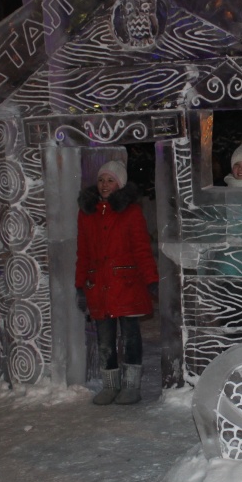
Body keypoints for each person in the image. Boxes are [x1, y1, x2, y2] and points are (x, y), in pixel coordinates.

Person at [75, 160, 159, 405]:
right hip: (98, 286)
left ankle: (131, 386)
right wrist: (80, 285)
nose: (105, 185)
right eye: (102, 179)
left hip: (127, 285)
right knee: (105, 338)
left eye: (110, 180)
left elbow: (142, 249)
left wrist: (151, 280)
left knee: (130, 335)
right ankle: (110, 385)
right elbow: (83, 252)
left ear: (119, 184)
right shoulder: (86, 213)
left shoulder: (131, 212)